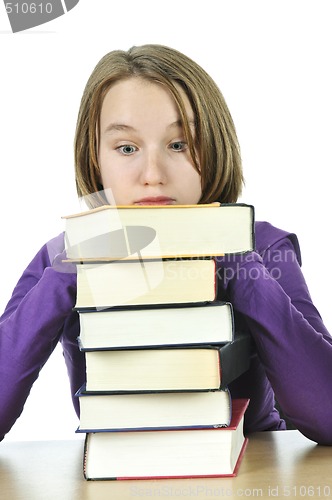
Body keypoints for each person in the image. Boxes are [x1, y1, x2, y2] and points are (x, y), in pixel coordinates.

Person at [1, 44, 332, 445]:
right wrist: (69, 277)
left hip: (250, 470)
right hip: (114, 474)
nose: (153, 175)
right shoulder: (60, 258)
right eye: (126, 148)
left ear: (214, 148)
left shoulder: (262, 247)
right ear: (95, 160)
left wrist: (239, 263)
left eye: (179, 144)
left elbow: (326, 413)